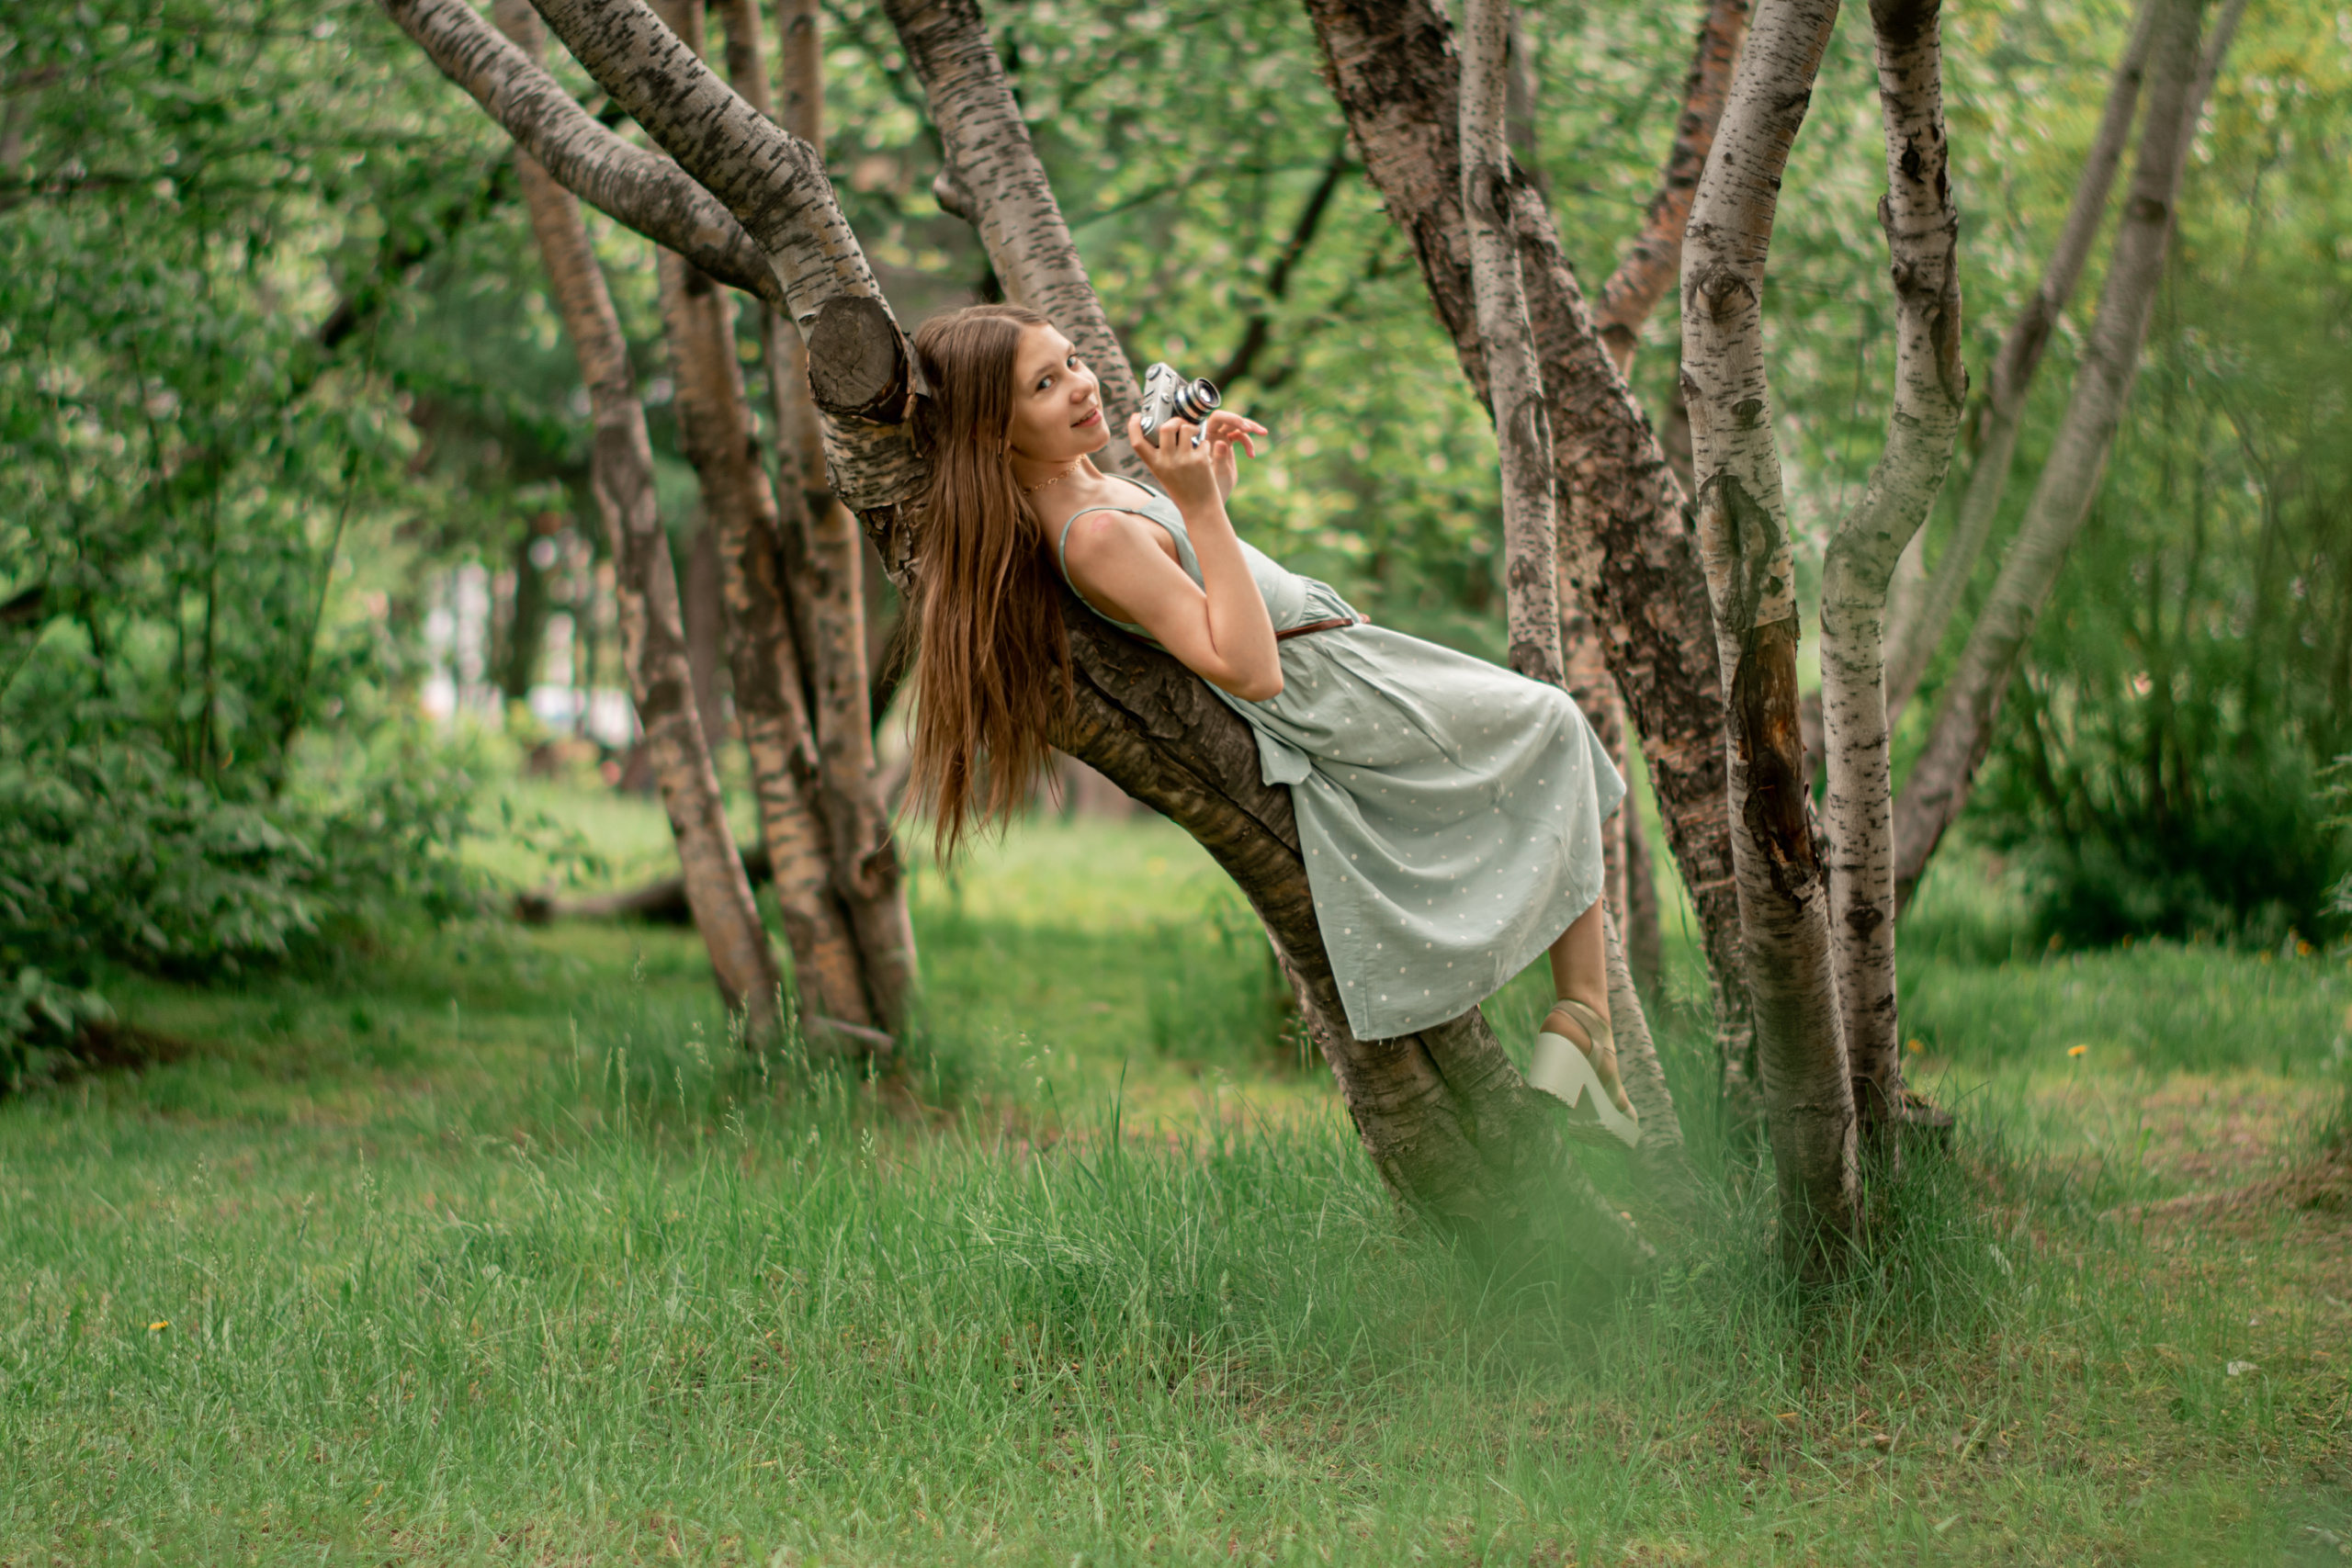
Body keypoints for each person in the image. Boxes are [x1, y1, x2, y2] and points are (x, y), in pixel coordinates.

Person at [904, 303, 1637, 1145]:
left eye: (1070, 360)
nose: (1080, 385)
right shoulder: (1093, 533)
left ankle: (1589, 1032)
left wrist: (1204, 493)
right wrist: (1198, 508)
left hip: (1345, 658)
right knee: (1550, 723)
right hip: (1327, 689)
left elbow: (1211, 586)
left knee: (1551, 734)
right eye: (1045, 384)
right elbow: (1250, 668)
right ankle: (1585, 1026)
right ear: (995, 433)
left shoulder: (1090, 484)